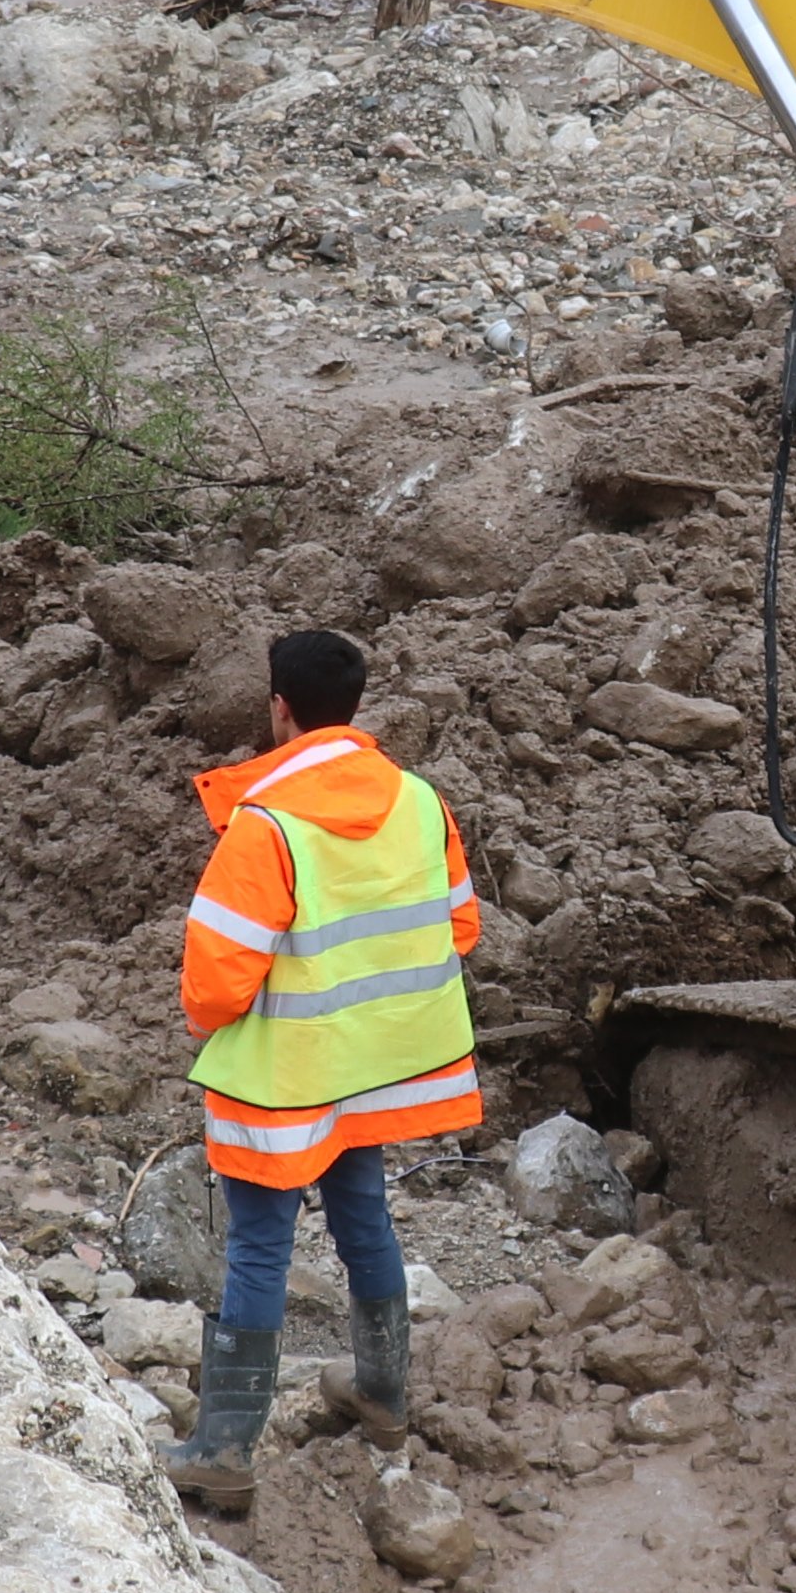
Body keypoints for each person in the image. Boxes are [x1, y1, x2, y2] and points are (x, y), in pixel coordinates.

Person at [166, 626, 485, 1510]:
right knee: (365, 1218)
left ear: (279, 708)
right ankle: (383, 1397)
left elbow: (218, 984)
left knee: (261, 1245)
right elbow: (460, 929)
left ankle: (226, 1450)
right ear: (355, 706)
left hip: (289, 1075)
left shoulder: (265, 825)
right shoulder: (422, 802)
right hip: (380, 1066)